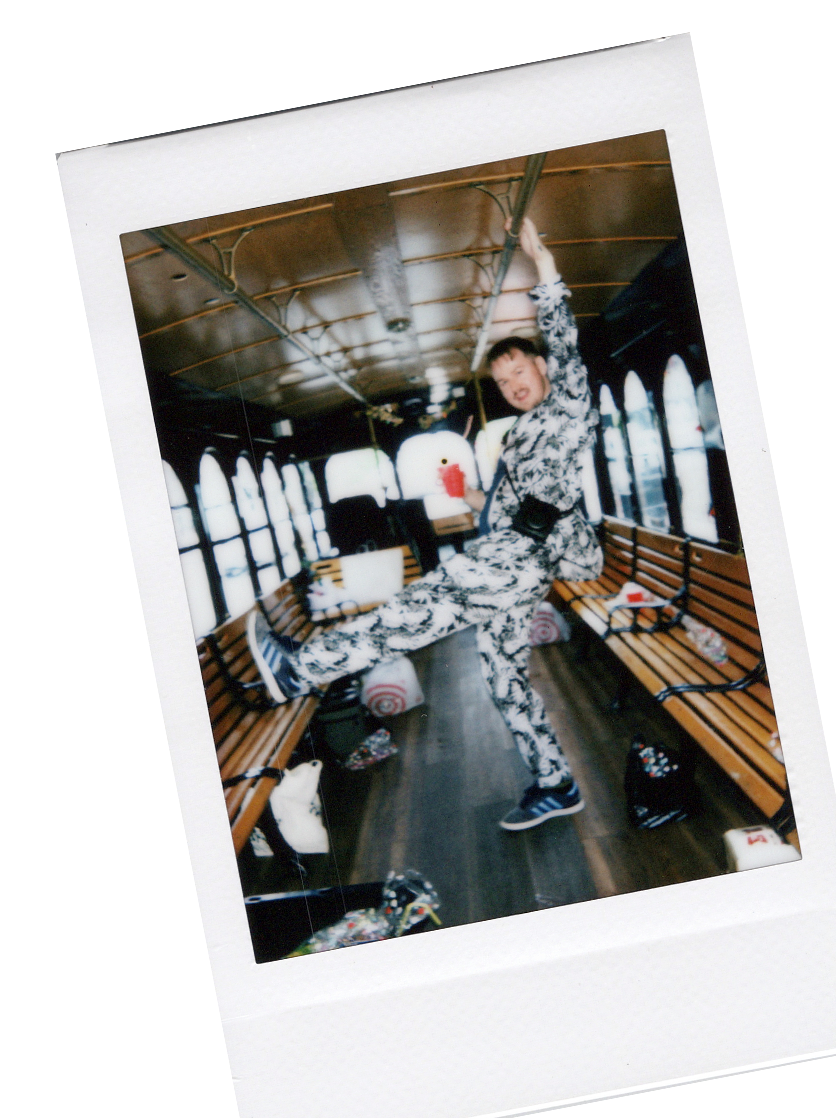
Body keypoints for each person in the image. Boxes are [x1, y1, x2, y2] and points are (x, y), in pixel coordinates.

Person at [250, 216, 603, 831]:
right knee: (505, 680)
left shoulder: (569, 406)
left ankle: (299, 670)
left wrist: (544, 268)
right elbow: (516, 504)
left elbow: (565, 339)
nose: (515, 385)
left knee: (415, 611)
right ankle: (556, 781)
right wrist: (470, 496)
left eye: (521, 371)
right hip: (513, 553)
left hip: (520, 560)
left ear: (543, 368)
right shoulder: (520, 434)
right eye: (502, 382)